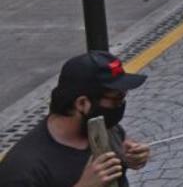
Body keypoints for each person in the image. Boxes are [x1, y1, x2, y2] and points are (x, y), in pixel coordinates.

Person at [0, 52, 151, 187]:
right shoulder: (24, 168)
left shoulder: (108, 129)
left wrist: (130, 158)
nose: (121, 105)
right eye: (117, 99)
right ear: (82, 103)